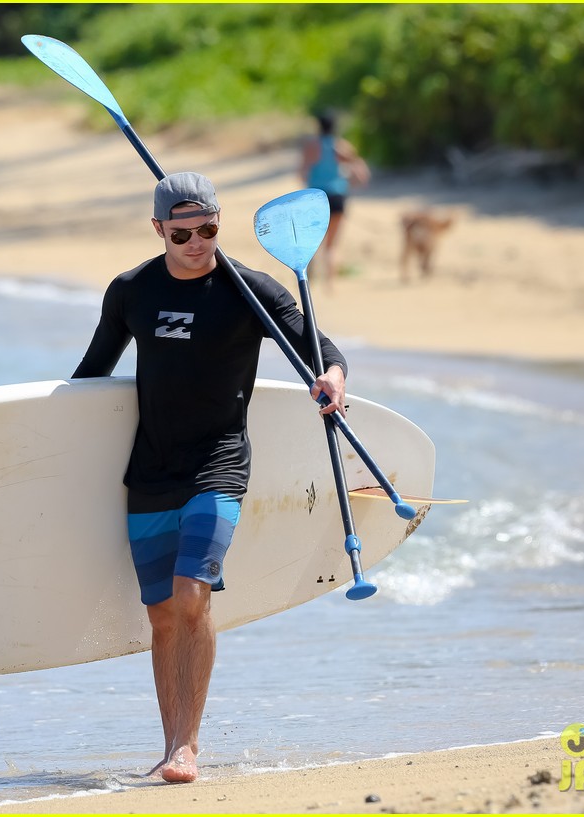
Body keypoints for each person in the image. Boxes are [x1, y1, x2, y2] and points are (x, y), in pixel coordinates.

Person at [71, 172, 348, 783]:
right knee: (162, 614)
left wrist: (331, 375)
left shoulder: (249, 291)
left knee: (192, 594)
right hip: (150, 468)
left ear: (220, 222)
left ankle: (186, 749)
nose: (198, 242)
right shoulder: (131, 291)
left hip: (220, 463)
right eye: (183, 233)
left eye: (209, 229)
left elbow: (315, 344)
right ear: (159, 230)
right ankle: (171, 742)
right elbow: (91, 376)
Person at [299, 109, 371, 292]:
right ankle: (330, 284)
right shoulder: (340, 146)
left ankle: (309, 279)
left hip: (316, 196)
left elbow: (302, 172)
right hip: (337, 195)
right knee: (332, 244)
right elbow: (361, 173)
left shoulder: (311, 146)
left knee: (313, 239)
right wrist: (348, 183)